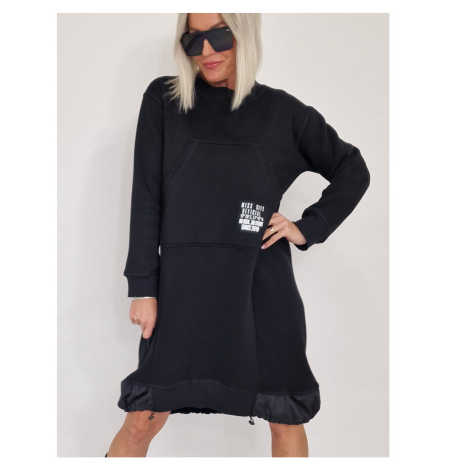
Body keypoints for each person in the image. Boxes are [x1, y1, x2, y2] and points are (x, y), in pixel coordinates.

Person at [105, 13, 370, 458]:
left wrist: (306, 228)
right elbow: (146, 197)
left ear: (243, 34)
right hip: (183, 291)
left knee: (285, 417)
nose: (206, 51)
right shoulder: (165, 100)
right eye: (193, 40)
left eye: (219, 35)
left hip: (261, 292)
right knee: (141, 418)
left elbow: (352, 169)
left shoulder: (283, 113)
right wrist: (143, 288)